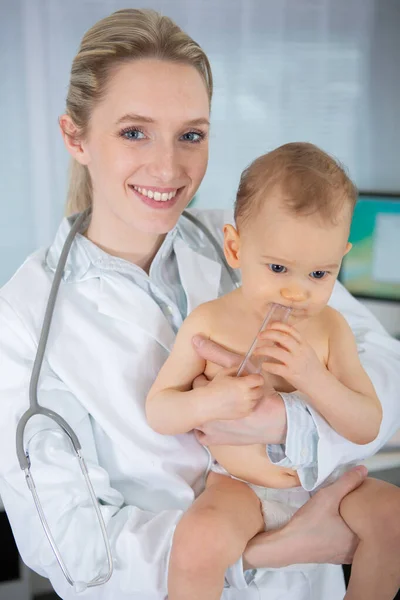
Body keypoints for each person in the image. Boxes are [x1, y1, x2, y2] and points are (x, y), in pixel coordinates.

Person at [0, 8, 399, 600]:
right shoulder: (24, 319)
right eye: (134, 131)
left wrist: (291, 423)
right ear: (75, 137)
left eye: (191, 134)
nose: (168, 167)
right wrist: (272, 551)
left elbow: (383, 373)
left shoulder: (261, 245)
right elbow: (76, 553)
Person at [146, 142, 400, 600]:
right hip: (242, 489)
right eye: (279, 267)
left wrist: (313, 378)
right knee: (197, 543)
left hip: (322, 484)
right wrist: (211, 401)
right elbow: (159, 411)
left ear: (341, 256)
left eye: (320, 275)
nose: (298, 293)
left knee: (394, 518)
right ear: (235, 247)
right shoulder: (209, 322)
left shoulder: (332, 328)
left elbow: (367, 424)